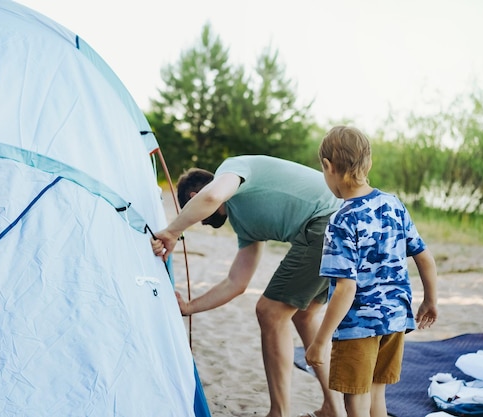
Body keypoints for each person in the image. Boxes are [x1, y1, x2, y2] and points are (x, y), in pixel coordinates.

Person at [151, 155, 346, 417]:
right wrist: (188, 307)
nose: (200, 220)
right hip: (342, 224)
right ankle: (333, 408)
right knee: (304, 314)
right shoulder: (245, 222)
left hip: (328, 222)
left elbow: (211, 198)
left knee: (270, 313)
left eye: (194, 214)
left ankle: (279, 412)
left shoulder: (232, 168)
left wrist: (172, 231)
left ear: (195, 195)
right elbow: (236, 282)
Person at [305, 126, 439, 417]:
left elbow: (345, 287)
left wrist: (321, 340)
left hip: (359, 325)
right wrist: (430, 300)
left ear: (328, 167)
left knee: (356, 398)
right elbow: (425, 257)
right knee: (377, 394)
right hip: (394, 319)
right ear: (368, 163)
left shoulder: (341, 220)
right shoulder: (393, 204)